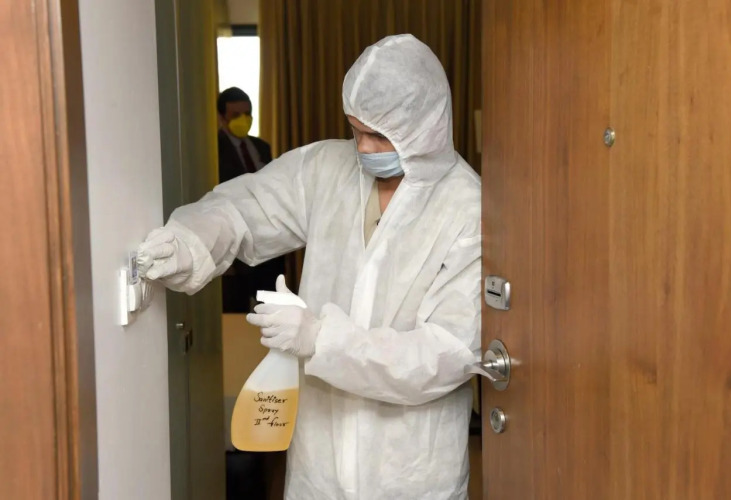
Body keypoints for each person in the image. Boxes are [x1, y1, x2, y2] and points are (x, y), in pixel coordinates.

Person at [137, 34, 481, 499]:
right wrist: (189, 242)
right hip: (319, 466)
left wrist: (321, 339)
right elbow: (246, 207)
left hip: (411, 472)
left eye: (380, 136)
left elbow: (446, 353)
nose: (364, 149)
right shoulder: (326, 169)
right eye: (356, 131)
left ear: (427, 127)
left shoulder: (467, 207)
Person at [216, 87, 284, 312]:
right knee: (236, 309)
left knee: (271, 307)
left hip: (268, 243)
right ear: (222, 117)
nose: (243, 120)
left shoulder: (262, 147)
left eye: (247, 114)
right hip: (236, 241)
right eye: (235, 115)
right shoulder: (213, 150)